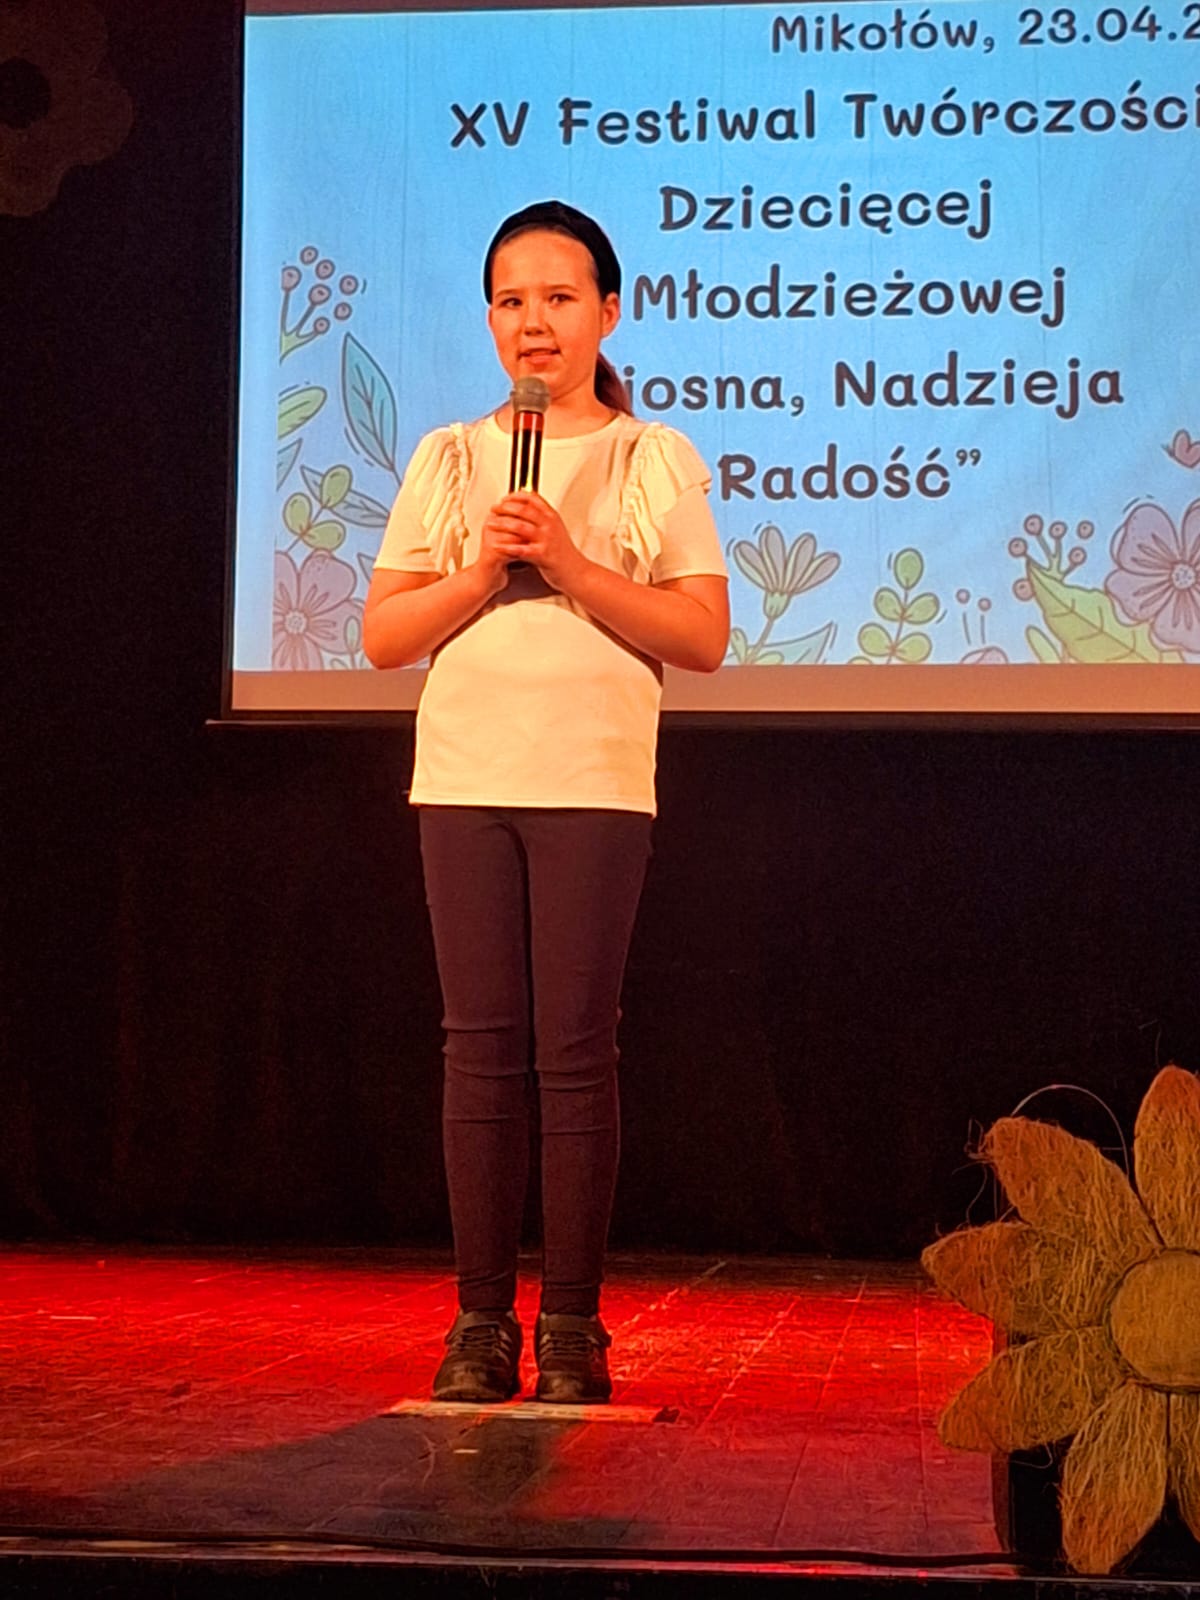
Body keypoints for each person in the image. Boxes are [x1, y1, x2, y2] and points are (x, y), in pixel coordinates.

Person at [364, 200, 729, 1405]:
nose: (536, 321)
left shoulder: (649, 456)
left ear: (607, 313)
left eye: (561, 298)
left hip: (592, 777)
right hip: (465, 773)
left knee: (574, 1053)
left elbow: (703, 635)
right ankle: (481, 1321)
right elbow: (383, 636)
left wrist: (570, 564)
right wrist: (484, 568)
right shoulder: (450, 457)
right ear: (488, 321)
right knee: (479, 1050)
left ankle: (571, 1324)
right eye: (513, 300)